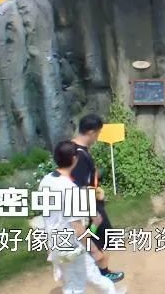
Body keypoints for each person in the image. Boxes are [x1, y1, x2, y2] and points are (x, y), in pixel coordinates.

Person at [39, 141, 121, 294]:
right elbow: (77, 228)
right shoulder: (69, 188)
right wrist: (94, 250)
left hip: (56, 243)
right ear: (74, 159)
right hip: (71, 247)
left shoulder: (46, 181)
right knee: (76, 286)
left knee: (90, 278)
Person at [71, 114, 125, 283]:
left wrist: (97, 190)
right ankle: (102, 273)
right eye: (98, 133)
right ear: (91, 132)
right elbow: (80, 187)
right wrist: (93, 211)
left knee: (97, 238)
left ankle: (98, 270)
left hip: (90, 201)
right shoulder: (79, 155)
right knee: (98, 238)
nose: (98, 137)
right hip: (88, 205)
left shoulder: (74, 148)